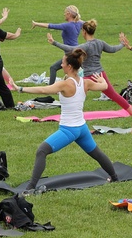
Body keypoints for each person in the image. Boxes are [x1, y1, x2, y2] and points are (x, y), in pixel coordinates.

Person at [10, 49, 118, 193]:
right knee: (97, 153)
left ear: (70, 66)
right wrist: (102, 80)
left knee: (41, 151)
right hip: (82, 128)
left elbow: (44, 90)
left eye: (63, 62)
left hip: (70, 130)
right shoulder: (85, 83)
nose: (61, 65)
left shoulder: (66, 84)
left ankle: (30, 188)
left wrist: (20, 89)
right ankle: (115, 177)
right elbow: (104, 86)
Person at [48, 19, 132, 115]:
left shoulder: (86, 46)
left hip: (89, 77)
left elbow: (70, 49)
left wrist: (54, 42)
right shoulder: (100, 43)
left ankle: (71, 114)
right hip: (101, 75)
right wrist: (122, 44)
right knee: (114, 95)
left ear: (84, 32)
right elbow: (113, 49)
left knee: (75, 94)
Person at [32, 5, 83, 85]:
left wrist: (36, 23)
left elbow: (51, 26)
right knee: (84, 70)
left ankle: (51, 88)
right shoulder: (79, 23)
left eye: (65, 13)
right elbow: (88, 24)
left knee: (53, 68)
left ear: (69, 14)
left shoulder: (68, 25)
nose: (64, 14)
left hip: (70, 54)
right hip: (76, 51)